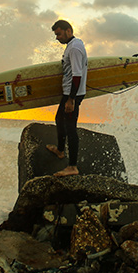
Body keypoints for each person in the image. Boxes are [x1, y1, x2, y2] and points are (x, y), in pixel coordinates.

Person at [47, 19, 87, 177]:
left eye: (58, 34)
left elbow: (77, 75)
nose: (57, 38)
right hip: (69, 92)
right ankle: (60, 150)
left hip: (73, 94)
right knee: (59, 119)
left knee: (71, 129)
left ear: (68, 30)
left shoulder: (75, 48)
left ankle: (72, 167)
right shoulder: (73, 45)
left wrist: (71, 100)